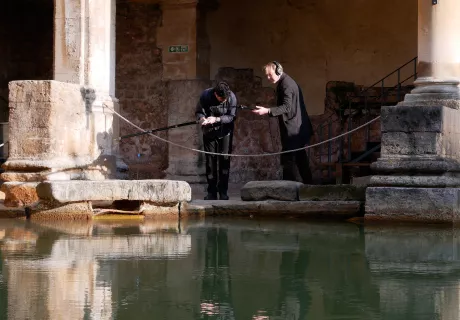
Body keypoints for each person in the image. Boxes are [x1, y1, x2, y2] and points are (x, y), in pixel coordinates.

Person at [252, 61, 314, 184]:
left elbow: (287, 107)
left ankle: (288, 187)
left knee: (288, 159)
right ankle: (309, 185)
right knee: (300, 158)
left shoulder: (287, 85)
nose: (268, 78)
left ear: (278, 71)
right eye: (266, 75)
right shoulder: (284, 82)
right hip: (294, 127)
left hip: (294, 128)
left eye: (270, 75)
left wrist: (267, 111)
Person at [196, 81, 237, 200]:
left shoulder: (232, 98)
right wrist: (202, 118)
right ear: (215, 94)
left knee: (224, 161)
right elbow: (199, 111)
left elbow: (231, 117)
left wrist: (217, 119)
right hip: (209, 132)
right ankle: (211, 192)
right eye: (221, 98)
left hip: (225, 132)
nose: (224, 100)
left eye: (225, 98)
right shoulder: (205, 95)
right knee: (210, 162)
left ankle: (223, 191)